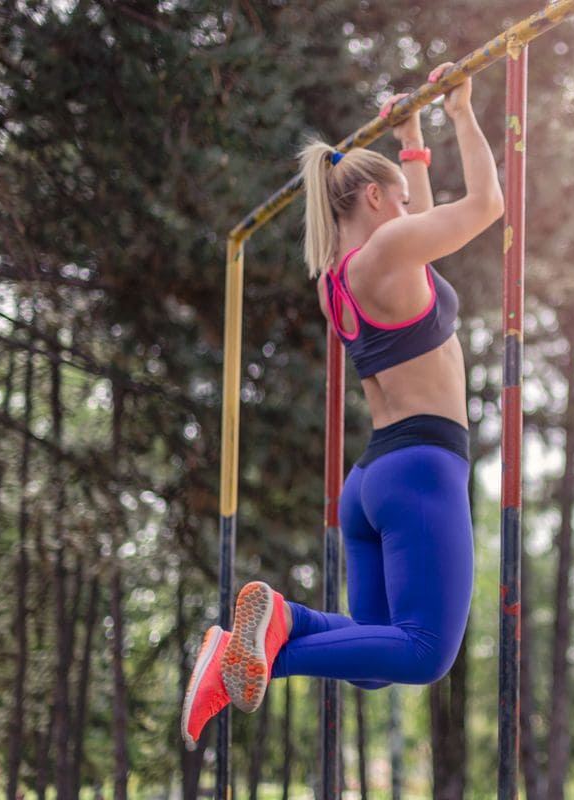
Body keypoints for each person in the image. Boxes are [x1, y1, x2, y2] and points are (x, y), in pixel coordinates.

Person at [181, 61, 502, 750]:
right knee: (423, 652)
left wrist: (413, 138)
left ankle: (281, 622)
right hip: (421, 469)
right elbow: (484, 208)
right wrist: (464, 113)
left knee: (373, 660)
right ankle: (250, 655)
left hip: (373, 483)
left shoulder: (340, 276)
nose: (414, 207)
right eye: (404, 196)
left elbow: (422, 223)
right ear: (377, 200)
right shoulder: (389, 249)